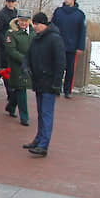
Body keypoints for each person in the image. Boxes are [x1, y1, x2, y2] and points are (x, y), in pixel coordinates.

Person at [23, 12, 66, 157]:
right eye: (33, 24)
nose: (34, 27)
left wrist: (57, 83)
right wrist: (26, 66)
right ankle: (38, 139)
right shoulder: (36, 39)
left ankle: (43, 145)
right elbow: (28, 55)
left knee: (46, 114)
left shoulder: (55, 39)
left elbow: (60, 63)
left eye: (37, 24)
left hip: (49, 82)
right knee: (41, 113)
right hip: (38, 81)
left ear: (45, 24)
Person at [51, 0, 86, 99]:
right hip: (59, 45)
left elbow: (82, 32)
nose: (66, 0)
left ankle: (67, 90)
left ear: (73, 0)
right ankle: (56, 88)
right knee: (57, 68)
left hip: (72, 46)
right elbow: (52, 27)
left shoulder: (80, 15)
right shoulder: (58, 12)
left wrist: (81, 47)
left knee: (70, 70)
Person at [3, 9, 33, 126]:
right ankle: (24, 117)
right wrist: (25, 59)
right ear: (17, 20)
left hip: (30, 63)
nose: (23, 23)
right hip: (17, 65)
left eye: (26, 21)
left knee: (20, 88)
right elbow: (11, 50)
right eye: (21, 20)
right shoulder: (11, 33)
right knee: (21, 88)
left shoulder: (33, 32)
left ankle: (11, 106)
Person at [0, 0, 19, 108]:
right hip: (3, 46)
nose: (10, 3)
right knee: (2, 71)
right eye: (9, 1)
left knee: (7, 71)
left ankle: (11, 93)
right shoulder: (1, 15)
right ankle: (10, 93)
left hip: (13, 45)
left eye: (12, 2)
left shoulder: (17, 14)